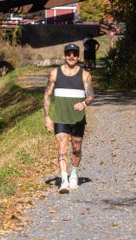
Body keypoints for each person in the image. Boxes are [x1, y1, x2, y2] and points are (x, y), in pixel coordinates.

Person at [44, 43, 95, 194]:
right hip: (60, 118)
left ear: (78, 57)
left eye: (74, 54)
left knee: (77, 149)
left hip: (78, 119)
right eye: (68, 54)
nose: (71, 56)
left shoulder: (85, 75)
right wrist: (47, 117)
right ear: (64, 56)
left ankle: (73, 174)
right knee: (61, 149)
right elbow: (47, 95)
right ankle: (64, 180)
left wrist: (84, 103)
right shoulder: (54, 73)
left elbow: (91, 95)